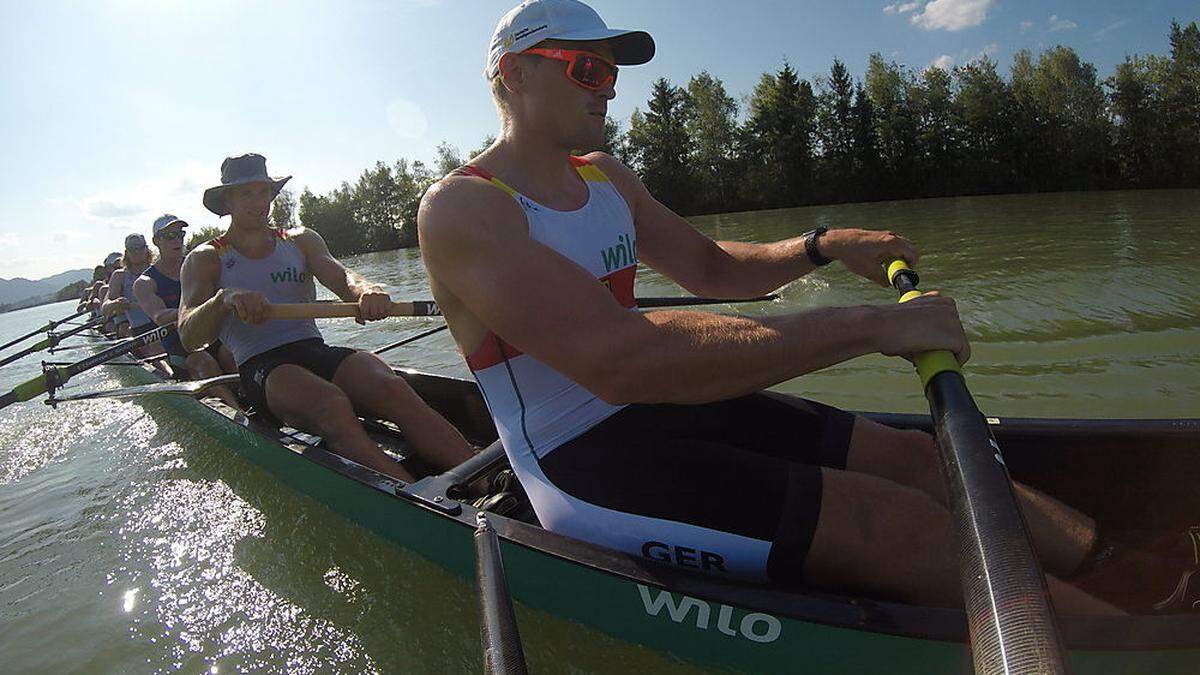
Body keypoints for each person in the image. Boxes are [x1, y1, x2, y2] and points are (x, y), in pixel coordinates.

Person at [416, 0, 1144, 613]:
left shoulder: (606, 176)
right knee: (897, 524)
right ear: (515, 73)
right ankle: (1137, 638)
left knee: (915, 458)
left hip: (662, 402)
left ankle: (1126, 569)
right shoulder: (463, 208)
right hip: (578, 459)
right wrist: (871, 325)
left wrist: (823, 243)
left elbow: (707, 267)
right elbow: (619, 361)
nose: (608, 89)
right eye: (589, 69)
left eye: (612, 72)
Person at [177, 153, 475, 482]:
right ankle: (422, 501)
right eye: (246, 193)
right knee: (331, 406)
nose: (258, 201)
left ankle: (484, 481)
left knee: (392, 386)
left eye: (263, 191)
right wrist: (224, 299)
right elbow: (190, 335)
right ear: (227, 200)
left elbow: (344, 279)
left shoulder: (301, 240)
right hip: (262, 366)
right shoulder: (206, 258)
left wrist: (366, 292)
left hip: (313, 348)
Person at [134, 214, 240, 408]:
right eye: (170, 236)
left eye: (180, 234)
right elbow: (160, 317)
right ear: (156, 241)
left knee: (232, 353)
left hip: (211, 334)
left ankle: (257, 402)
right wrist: (200, 309)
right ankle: (238, 411)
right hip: (181, 345)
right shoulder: (145, 283)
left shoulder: (198, 264)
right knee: (204, 362)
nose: (177, 240)